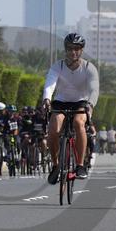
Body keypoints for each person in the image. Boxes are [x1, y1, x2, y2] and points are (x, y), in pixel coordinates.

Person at [43, 32, 99, 184]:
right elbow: (50, 84)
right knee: (53, 129)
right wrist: (47, 99)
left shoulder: (89, 67)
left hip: (81, 101)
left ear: (81, 50)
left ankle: (80, 165)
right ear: (65, 49)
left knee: (79, 123)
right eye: (69, 48)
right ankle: (55, 165)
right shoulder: (58, 66)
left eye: (76, 48)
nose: (73, 52)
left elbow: (94, 89)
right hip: (61, 101)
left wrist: (90, 104)